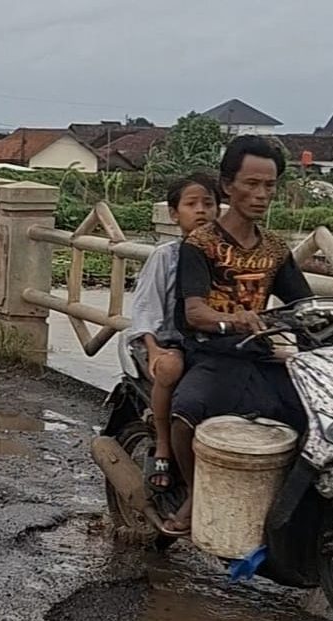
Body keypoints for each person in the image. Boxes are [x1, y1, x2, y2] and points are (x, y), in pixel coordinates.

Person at [164, 136, 333, 536]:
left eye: (269, 185)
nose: (261, 194)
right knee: (184, 414)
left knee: (315, 417)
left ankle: (293, 511)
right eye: (251, 184)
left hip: (261, 354)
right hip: (213, 354)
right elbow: (193, 311)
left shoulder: (274, 248)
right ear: (227, 185)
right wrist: (234, 319)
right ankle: (196, 493)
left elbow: (302, 302)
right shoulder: (199, 244)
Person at [126, 173, 220, 495]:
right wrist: (153, 350)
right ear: (173, 213)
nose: (201, 211)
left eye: (208, 203)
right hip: (165, 341)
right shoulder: (165, 256)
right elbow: (145, 309)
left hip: (210, 343)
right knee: (170, 368)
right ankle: (165, 446)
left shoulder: (224, 257)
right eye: (191, 204)